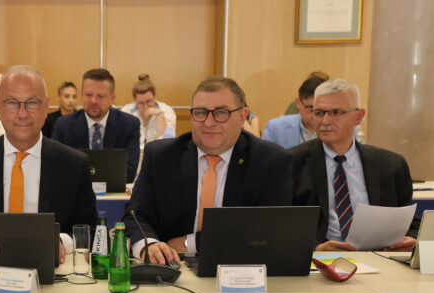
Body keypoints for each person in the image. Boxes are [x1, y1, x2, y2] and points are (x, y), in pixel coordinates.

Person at [123, 76, 293, 265]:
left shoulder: (270, 161)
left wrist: (190, 243)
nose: (209, 122)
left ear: (242, 116)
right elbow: (135, 216)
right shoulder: (161, 157)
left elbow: (268, 231)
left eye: (221, 113)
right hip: (171, 268)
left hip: (241, 269)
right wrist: (149, 245)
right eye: (201, 112)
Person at [0, 65, 97, 264]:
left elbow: (89, 231)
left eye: (32, 103)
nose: (22, 114)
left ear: (46, 106)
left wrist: (60, 242)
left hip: (51, 275)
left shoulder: (74, 165)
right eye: (12, 103)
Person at [289, 79, 417, 252]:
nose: (325, 121)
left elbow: (409, 224)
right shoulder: (292, 163)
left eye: (335, 112)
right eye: (319, 113)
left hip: (380, 258)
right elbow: (281, 225)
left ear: (358, 116)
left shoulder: (391, 165)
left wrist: (411, 241)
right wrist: (315, 249)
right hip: (320, 260)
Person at [51, 68, 140, 183]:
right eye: (88, 95)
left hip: (113, 193)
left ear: (112, 98)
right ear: (82, 95)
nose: (93, 101)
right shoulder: (64, 125)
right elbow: (54, 167)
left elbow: (129, 173)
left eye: (100, 96)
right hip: (75, 192)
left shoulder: (129, 125)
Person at [263, 75, 328, 149]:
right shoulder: (275, 128)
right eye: (310, 108)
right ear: (298, 102)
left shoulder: (336, 130)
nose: (315, 115)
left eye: (321, 110)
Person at [120, 73, 176, 145]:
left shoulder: (167, 111)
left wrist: (159, 115)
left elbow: (167, 143)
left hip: (156, 151)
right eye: (141, 103)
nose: (146, 106)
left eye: (149, 101)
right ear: (135, 100)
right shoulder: (126, 112)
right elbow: (122, 141)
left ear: (154, 96)